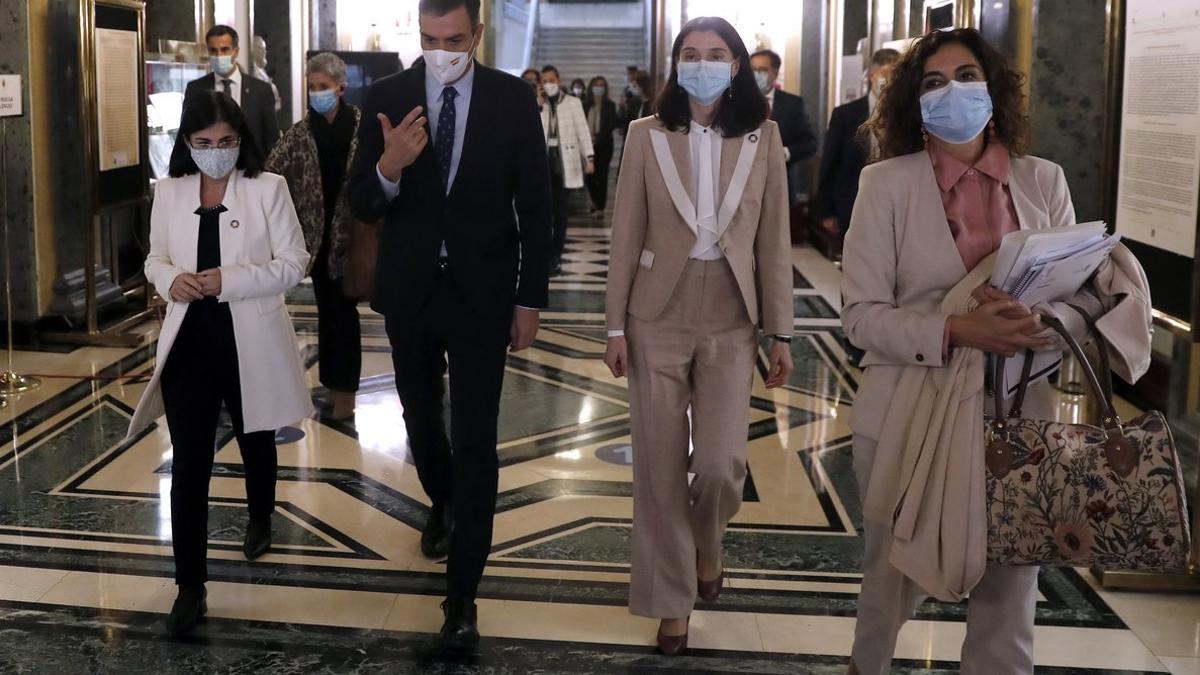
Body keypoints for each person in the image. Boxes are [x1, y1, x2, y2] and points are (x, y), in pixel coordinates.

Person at [841, 28, 1150, 674]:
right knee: (889, 586)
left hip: (1018, 413)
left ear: (994, 88)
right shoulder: (885, 186)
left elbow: (1084, 292)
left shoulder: (1043, 181)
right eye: (933, 82)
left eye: (966, 76)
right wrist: (958, 330)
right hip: (909, 413)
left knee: (1010, 599)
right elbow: (862, 317)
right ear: (912, 102)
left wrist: (1040, 321)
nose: (951, 91)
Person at [346, 0, 552, 648]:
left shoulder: (511, 100)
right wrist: (390, 165)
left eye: (455, 38)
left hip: (482, 293)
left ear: (478, 34)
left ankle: (462, 594)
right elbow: (358, 198)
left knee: (476, 438)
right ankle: (444, 500)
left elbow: (538, 205)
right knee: (417, 416)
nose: (442, 49)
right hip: (410, 289)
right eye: (431, 37)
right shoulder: (387, 94)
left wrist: (530, 299)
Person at [604, 16, 795, 657]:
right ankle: (672, 602)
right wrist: (612, 325)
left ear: (736, 65)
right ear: (675, 63)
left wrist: (782, 332)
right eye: (691, 54)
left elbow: (774, 241)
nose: (703, 63)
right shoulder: (644, 135)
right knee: (659, 470)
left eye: (715, 54)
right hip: (656, 312)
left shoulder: (763, 137)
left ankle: (708, 545)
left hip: (732, 314)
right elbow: (625, 233)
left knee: (721, 466)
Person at [127, 90, 312, 636]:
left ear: (241, 141)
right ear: (188, 143)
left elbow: (295, 261)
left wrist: (229, 281)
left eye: (227, 142)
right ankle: (190, 585)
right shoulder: (170, 190)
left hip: (248, 335)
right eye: (205, 143)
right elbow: (154, 256)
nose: (216, 152)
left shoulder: (267, 188)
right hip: (190, 340)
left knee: (257, 434)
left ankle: (261, 514)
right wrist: (169, 279)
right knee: (189, 463)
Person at [266, 53, 363, 421]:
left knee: (344, 313)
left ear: (341, 86)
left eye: (323, 87)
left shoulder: (363, 127)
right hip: (317, 241)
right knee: (330, 311)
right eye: (311, 87)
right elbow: (271, 172)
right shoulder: (301, 132)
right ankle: (335, 387)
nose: (316, 94)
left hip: (353, 238)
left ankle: (345, 395)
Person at [817, 48, 899, 236]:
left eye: (897, 75)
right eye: (886, 74)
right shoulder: (846, 114)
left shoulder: (907, 115)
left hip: (894, 204)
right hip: (852, 202)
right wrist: (827, 211)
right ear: (872, 75)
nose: (891, 81)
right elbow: (830, 163)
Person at [186, 25, 280, 156]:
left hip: (251, 171)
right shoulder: (195, 89)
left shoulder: (261, 90)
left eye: (224, 50)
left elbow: (272, 141)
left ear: (235, 51)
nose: (219, 55)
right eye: (213, 50)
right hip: (209, 168)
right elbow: (187, 134)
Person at [539, 65, 595, 274]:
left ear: (559, 80)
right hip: (541, 164)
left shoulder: (573, 102)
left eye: (551, 80)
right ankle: (543, 254)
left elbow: (583, 130)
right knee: (543, 213)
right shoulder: (538, 104)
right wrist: (537, 104)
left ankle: (556, 256)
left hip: (564, 163)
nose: (548, 84)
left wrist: (589, 157)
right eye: (544, 81)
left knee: (560, 213)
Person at [750, 49, 816, 205]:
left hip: (781, 185)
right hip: (746, 187)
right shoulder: (736, 103)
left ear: (775, 72)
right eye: (753, 70)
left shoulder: (793, 104)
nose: (757, 74)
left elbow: (810, 143)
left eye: (763, 70)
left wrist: (785, 152)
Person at [582, 76, 619, 217]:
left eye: (602, 85)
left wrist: (599, 136)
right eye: (596, 85)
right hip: (587, 145)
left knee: (602, 176)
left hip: (604, 145)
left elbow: (612, 123)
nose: (599, 87)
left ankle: (600, 207)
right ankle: (595, 201)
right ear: (591, 87)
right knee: (589, 176)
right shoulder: (585, 104)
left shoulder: (610, 105)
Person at [251, 35, 283, 113]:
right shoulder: (254, 72)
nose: (264, 52)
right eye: (261, 49)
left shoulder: (261, 70)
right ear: (254, 50)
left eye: (264, 49)